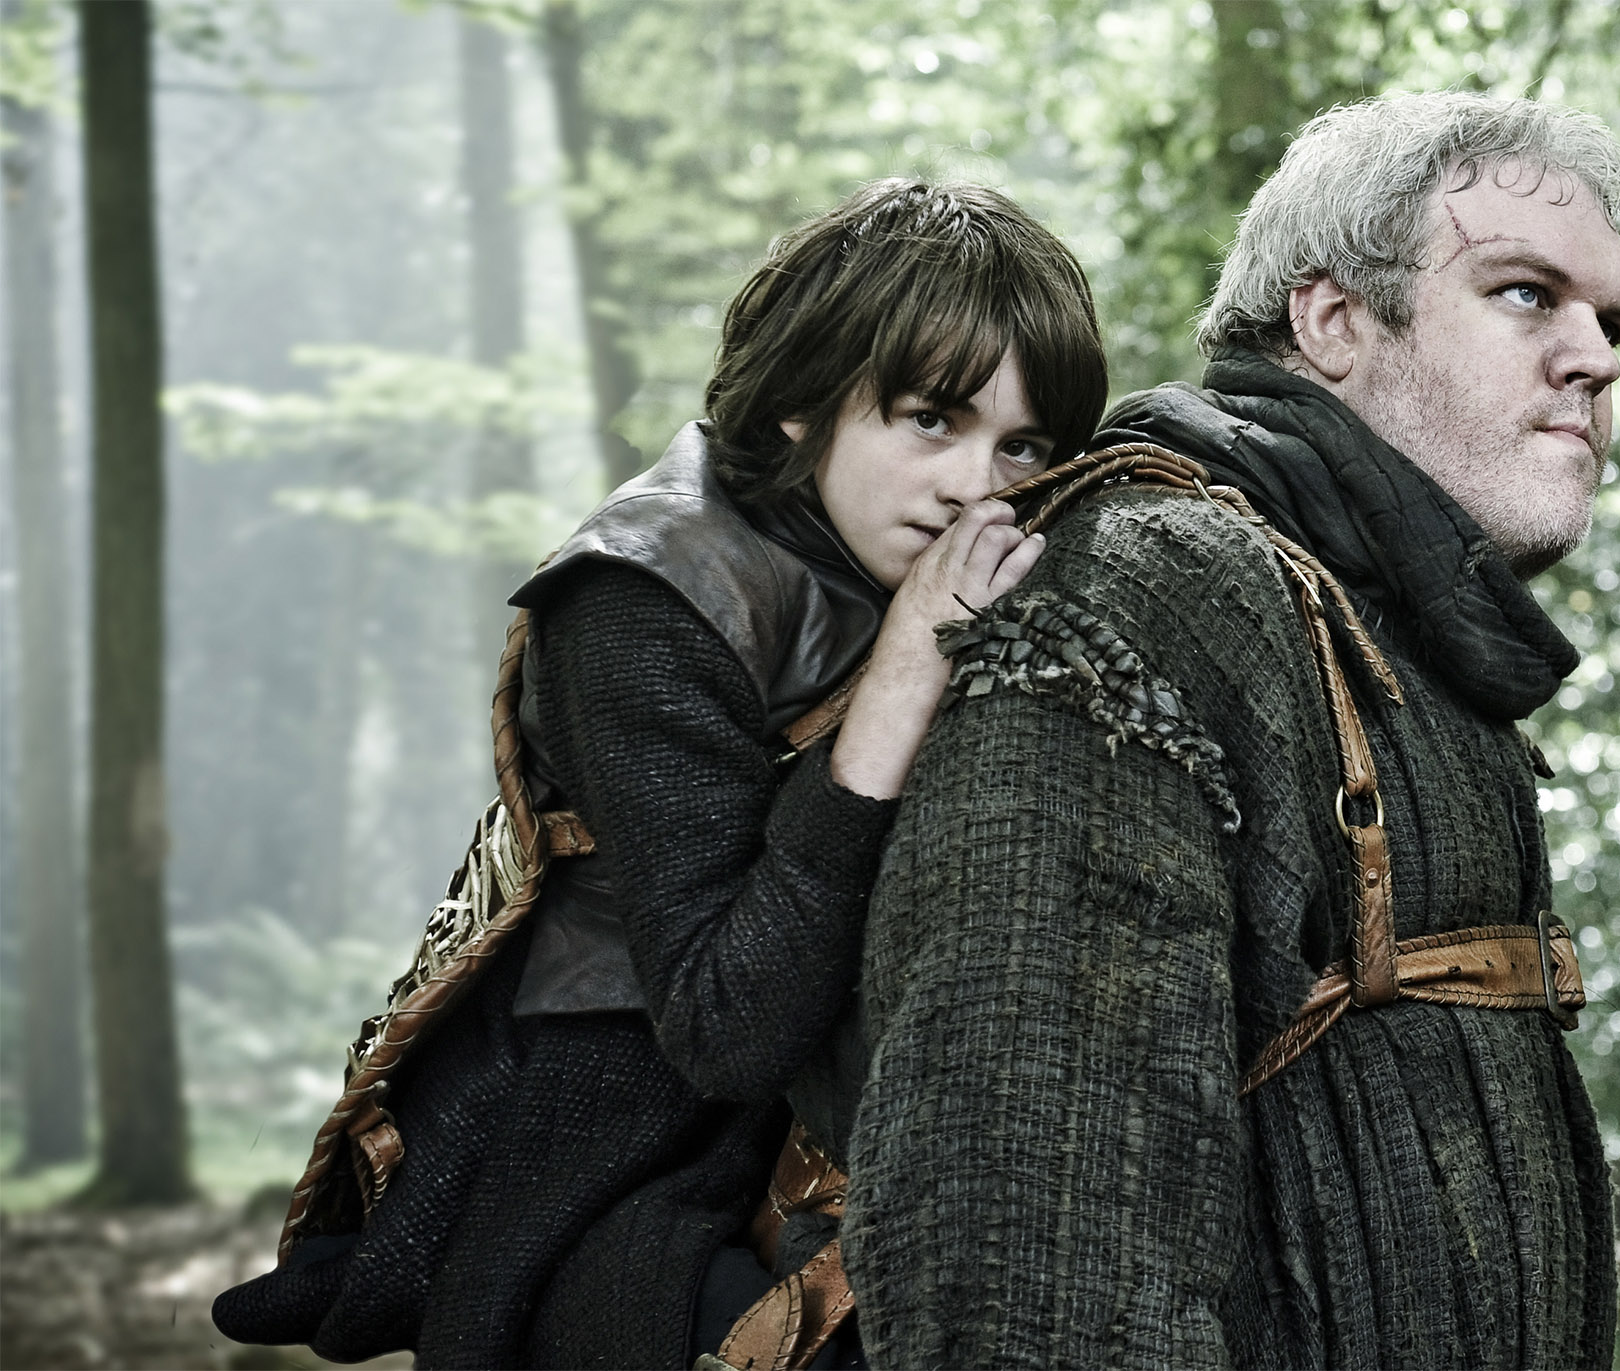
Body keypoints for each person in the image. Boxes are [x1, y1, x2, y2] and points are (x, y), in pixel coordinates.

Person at [212, 178, 1106, 1367]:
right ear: (798, 403)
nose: (975, 486)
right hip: (615, 1120)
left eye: (1022, 445)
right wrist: (899, 684)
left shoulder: (917, 549)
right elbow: (726, 1028)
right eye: (931, 419)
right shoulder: (641, 600)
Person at [839, 92, 1620, 1368]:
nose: (1594, 358)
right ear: (1332, 322)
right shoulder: (1152, 590)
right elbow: (1024, 1251)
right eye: (1524, 294)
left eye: (1612, 321)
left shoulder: (1407, 642)